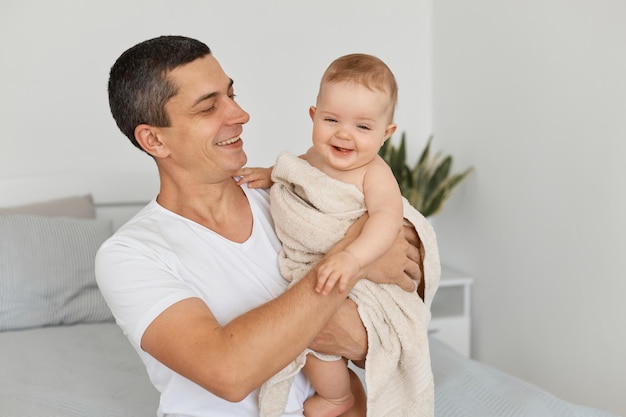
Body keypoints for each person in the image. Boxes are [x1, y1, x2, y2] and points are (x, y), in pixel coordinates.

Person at [96, 35, 424, 417]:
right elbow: (229, 372)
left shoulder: (296, 201)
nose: (239, 115)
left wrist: (357, 277)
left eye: (232, 95)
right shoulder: (130, 254)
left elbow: (395, 321)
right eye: (208, 108)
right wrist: (354, 261)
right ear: (154, 139)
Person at [237, 54, 404, 417]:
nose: (344, 134)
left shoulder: (374, 172)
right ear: (314, 117)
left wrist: (353, 257)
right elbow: (296, 173)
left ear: (386, 133)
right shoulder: (313, 156)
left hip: (352, 275)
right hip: (308, 266)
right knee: (302, 329)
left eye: (363, 127)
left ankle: (337, 398)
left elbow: (388, 218)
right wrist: (272, 175)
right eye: (332, 120)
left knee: (319, 337)